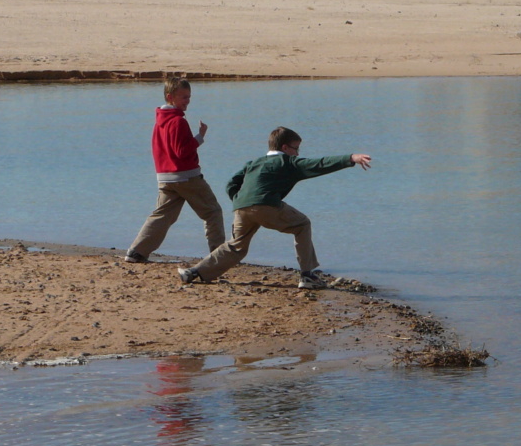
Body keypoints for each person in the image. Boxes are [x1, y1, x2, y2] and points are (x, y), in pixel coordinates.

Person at [177, 126, 371, 289]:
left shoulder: (254, 162)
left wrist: (239, 199)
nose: (297, 153)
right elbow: (319, 164)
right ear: (285, 147)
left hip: (241, 207)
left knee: (235, 247)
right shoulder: (287, 162)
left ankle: (195, 272)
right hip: (266, 204)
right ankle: (307, 276)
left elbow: (231, 183)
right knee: (302, 225)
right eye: (296, 149)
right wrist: (350, 158)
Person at [124, 78, 225, 263]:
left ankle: (136, 252)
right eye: (183, 97)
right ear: (170, 97)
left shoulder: (160, 121)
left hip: (165, 177)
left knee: (162, 216)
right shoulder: (178, 121)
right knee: (213, 212)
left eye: (189, 97)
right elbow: (182, 151)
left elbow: (161, 150)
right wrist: (200, 137)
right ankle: (219, 257)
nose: (187, 101)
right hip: (186, 177)